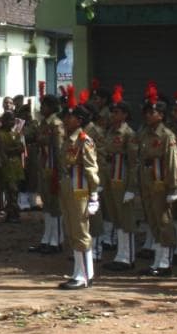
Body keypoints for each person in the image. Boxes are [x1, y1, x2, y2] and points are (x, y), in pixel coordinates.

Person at [135, 88, 177, 276]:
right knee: (152, 220)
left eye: (152, 113)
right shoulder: (145, 133)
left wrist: (173, 187)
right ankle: (157, 260)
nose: (148, 116)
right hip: (147, 182)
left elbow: (171, 162)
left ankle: (165, 262)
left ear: (161, 115)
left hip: (161, 182)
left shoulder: (166, 135)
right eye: (146, 112)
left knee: (163, 221)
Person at [57, 95, 100, 289]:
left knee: (81, 232)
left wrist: (94, 196)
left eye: (70, 117)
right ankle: (80, 272)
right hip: (69, 190)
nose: (66, 120)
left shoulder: (84, 141)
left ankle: (84, 275)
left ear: (79, 120)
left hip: (80, 191)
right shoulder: (69, 140)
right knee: (73, 231)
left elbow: (91, 169)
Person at [101, 88, 140, 270]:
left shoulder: (128, 134)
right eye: (112, 111)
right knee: (116, 217)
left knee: (126, 219)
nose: (113, 115)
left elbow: (133, 162)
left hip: (122, 178)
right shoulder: (110, 131)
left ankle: (128, 257)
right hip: (110, 178)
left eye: (117, 112)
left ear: (125, 115)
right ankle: (120, 254)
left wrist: (131, 188)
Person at [29, 93, 64, 253]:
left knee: (55, 206)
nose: (42, 108)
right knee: (47, 205)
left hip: (53, 169)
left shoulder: (56, 124)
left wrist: (59, 172)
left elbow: (58, 150)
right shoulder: (43, 123)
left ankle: (56, 241)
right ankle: (47, 238)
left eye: (44, 105)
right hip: (44, 168)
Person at [0, 97, 26, 222]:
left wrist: (16, 150)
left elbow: (21, 148)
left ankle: (14, 212)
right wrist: (14, 150)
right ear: (3, 121)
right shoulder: (0, 134)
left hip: (16, 165)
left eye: (13, 120)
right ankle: (11, 212)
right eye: (9, 120)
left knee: (15, 191)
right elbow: (3, 149)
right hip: (6, 166)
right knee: (10, 190)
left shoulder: (15, 133)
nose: (12, 122)